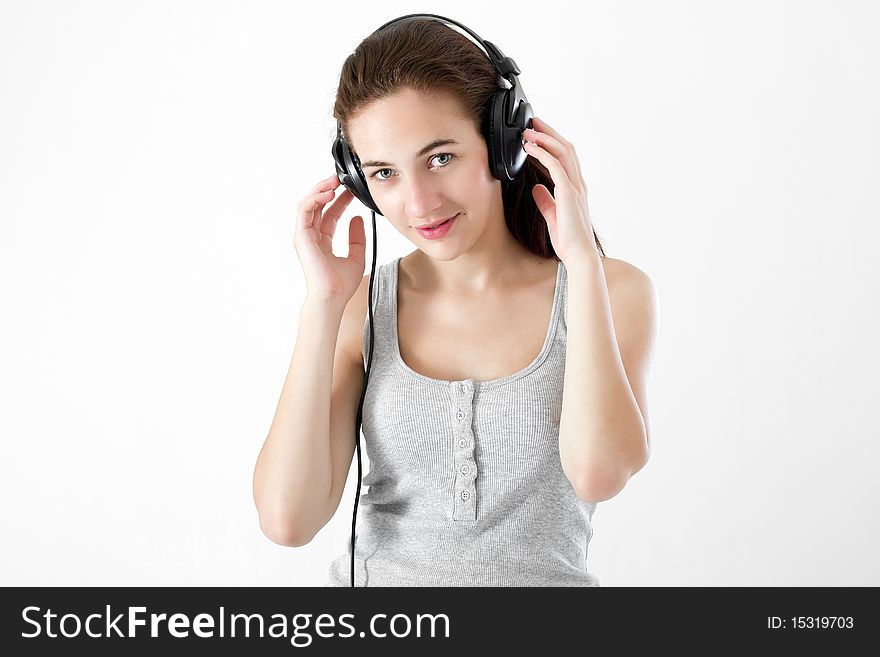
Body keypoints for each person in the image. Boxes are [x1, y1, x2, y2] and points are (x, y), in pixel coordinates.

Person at [252, 15, 657, 587]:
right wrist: (322, 303)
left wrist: (582, 265)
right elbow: (286, 519)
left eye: (440, 157)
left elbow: (600, 472)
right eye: (385, 173)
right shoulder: (360, 309)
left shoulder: (612, 290)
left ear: (502, 143)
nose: (418, 203)